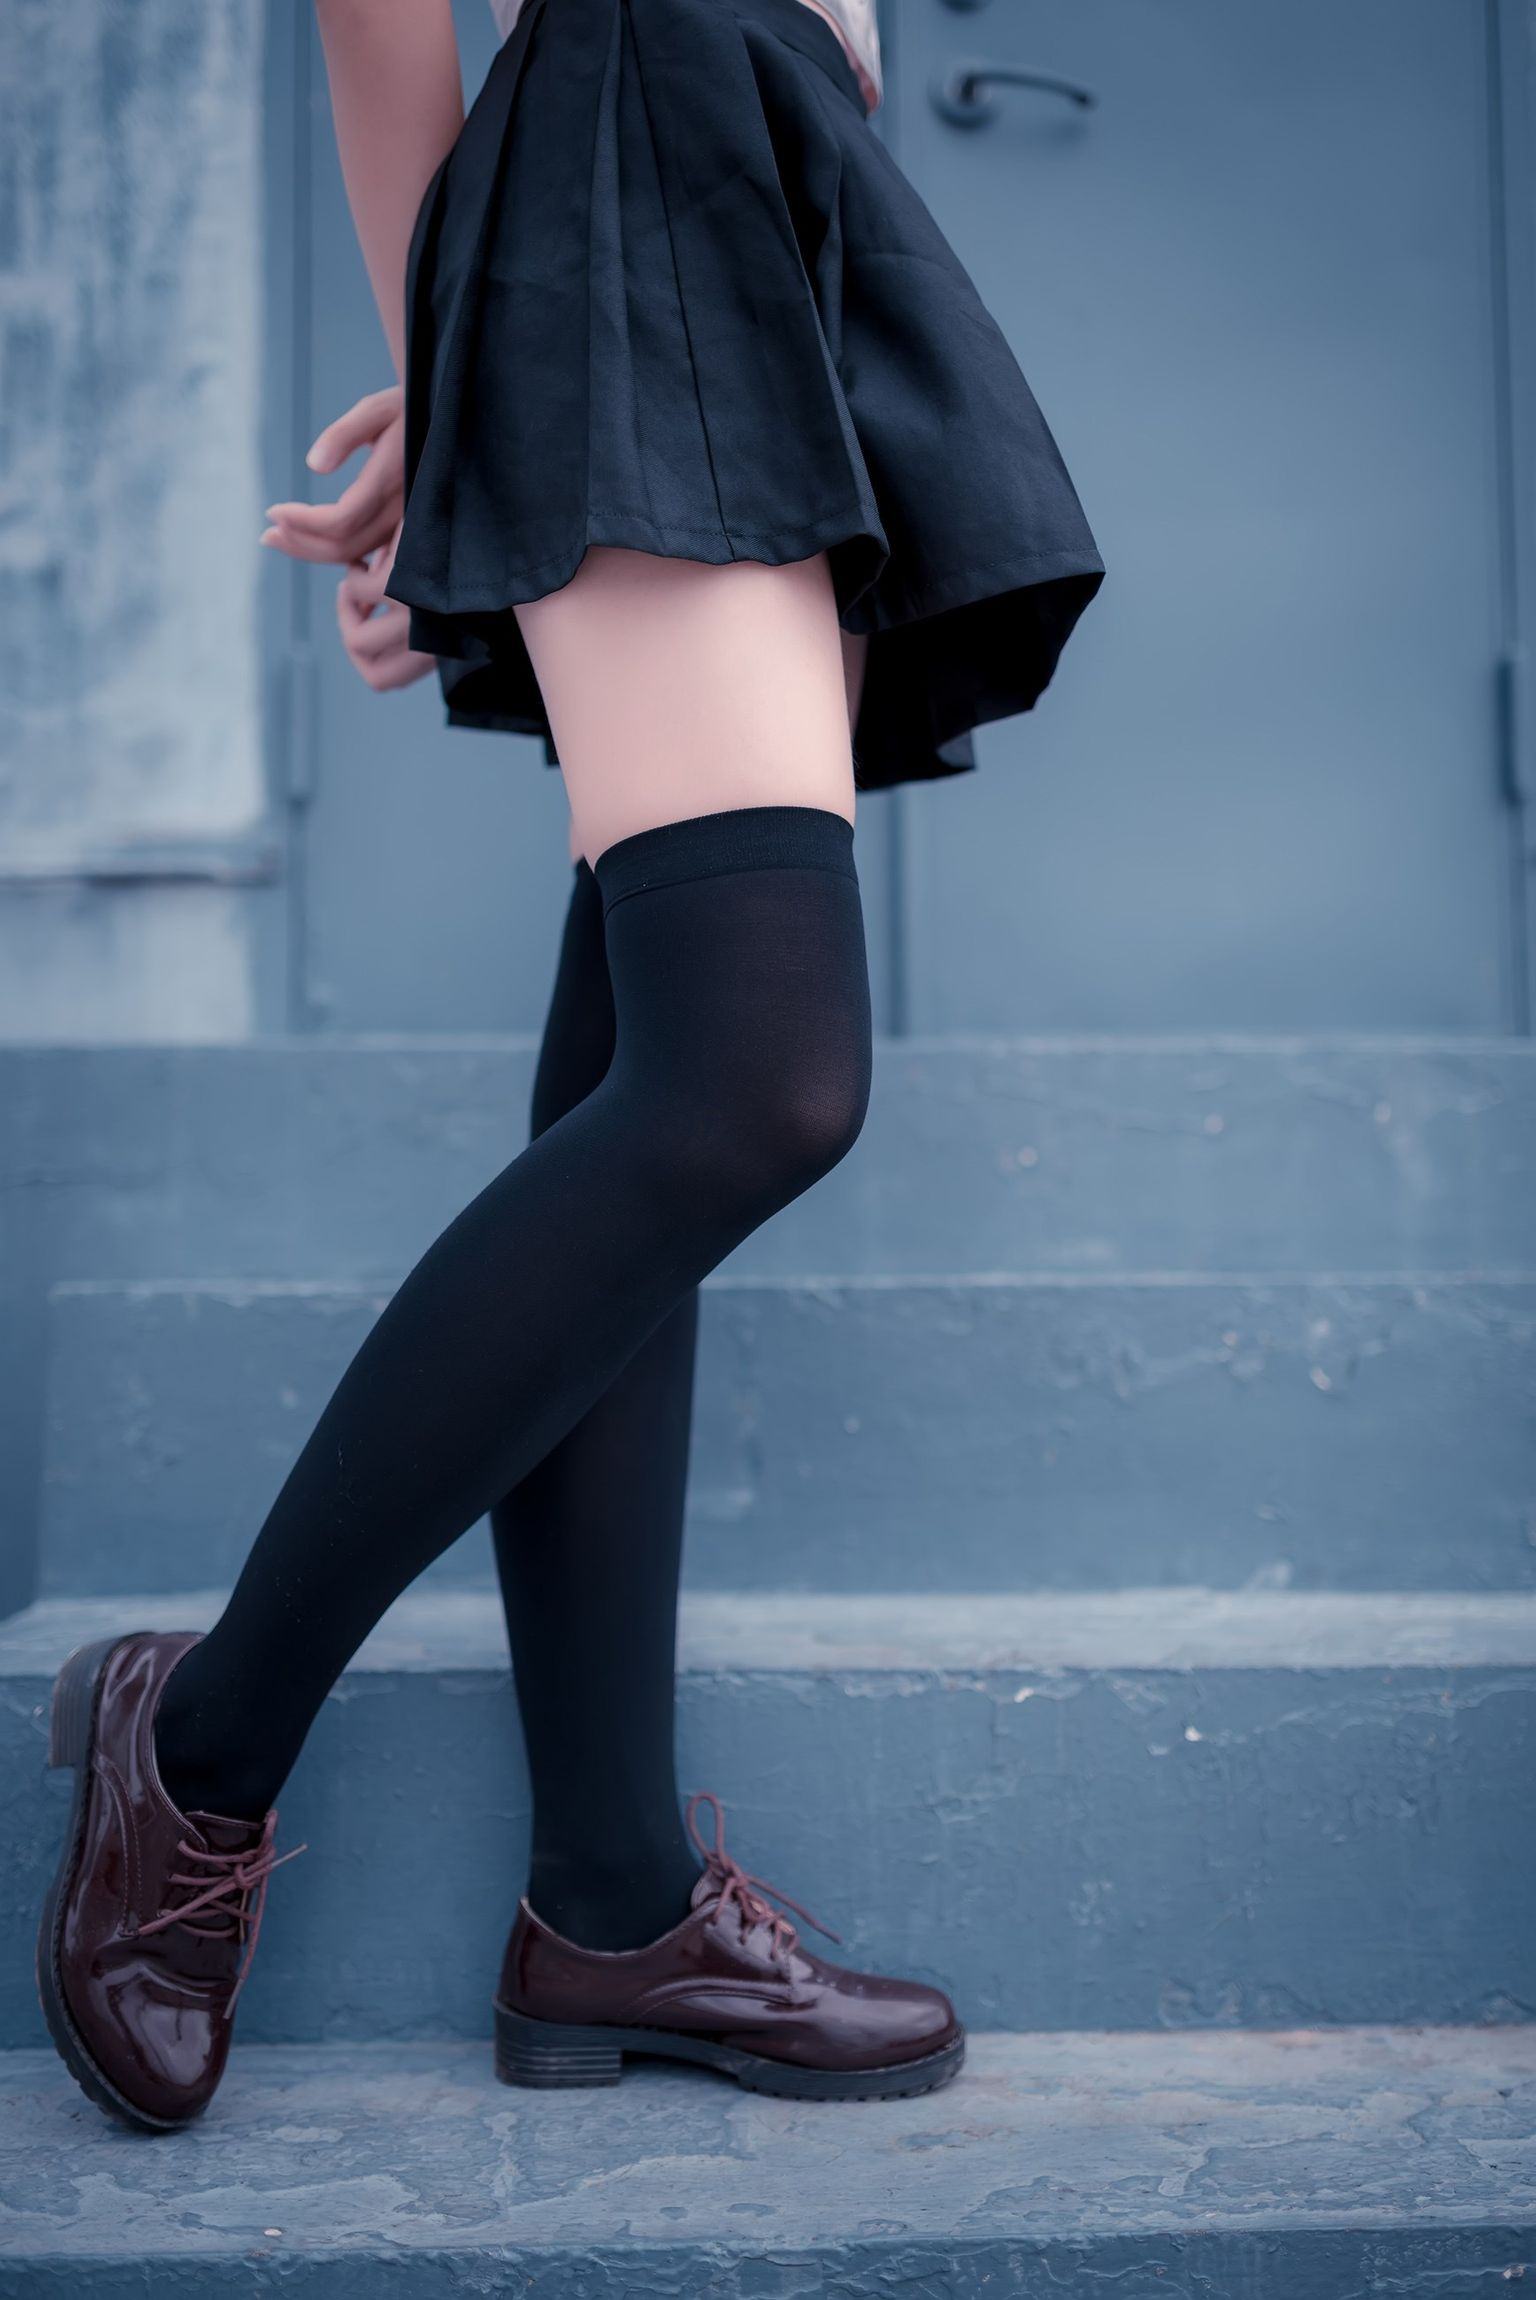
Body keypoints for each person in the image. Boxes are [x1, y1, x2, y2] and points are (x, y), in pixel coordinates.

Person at [36, 0, 1103, 2132]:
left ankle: (610, 1902)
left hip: (764, 161)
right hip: (643, 132)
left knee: (661, 1027)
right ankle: (204, 1737)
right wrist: (458, 385)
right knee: (758, 1076)